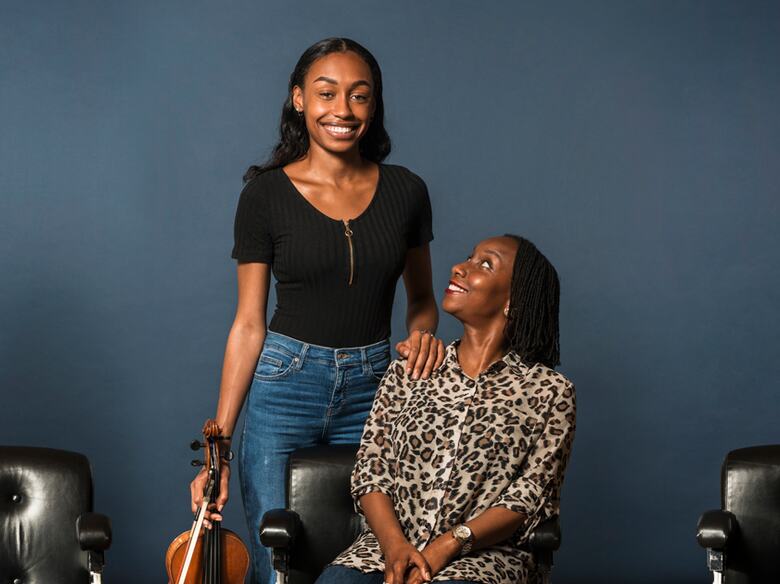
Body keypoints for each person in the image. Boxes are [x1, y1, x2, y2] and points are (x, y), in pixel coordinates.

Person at [189, 38, 445, 584]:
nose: (343, 110)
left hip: (376, 389)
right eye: (327, 93)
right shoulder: (265, 195)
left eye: (359, 95)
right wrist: (219, 449)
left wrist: (423, 335)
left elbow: (423, 302)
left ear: (373, 105)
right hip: (285, 386)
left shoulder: (407, 191)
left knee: (372, 561)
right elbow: (248, 323)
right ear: (299, 99)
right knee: (275, 562)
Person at [317, 235, 576, 584]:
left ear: (513, 301)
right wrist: (395, 547)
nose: (459, 267)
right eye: (469, 257)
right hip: (382, 550)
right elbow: (371, 471)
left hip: (483, 560)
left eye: (485, 264)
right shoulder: (410, 371)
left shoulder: (550, 392)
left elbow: (528, 496)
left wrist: (451, 543)